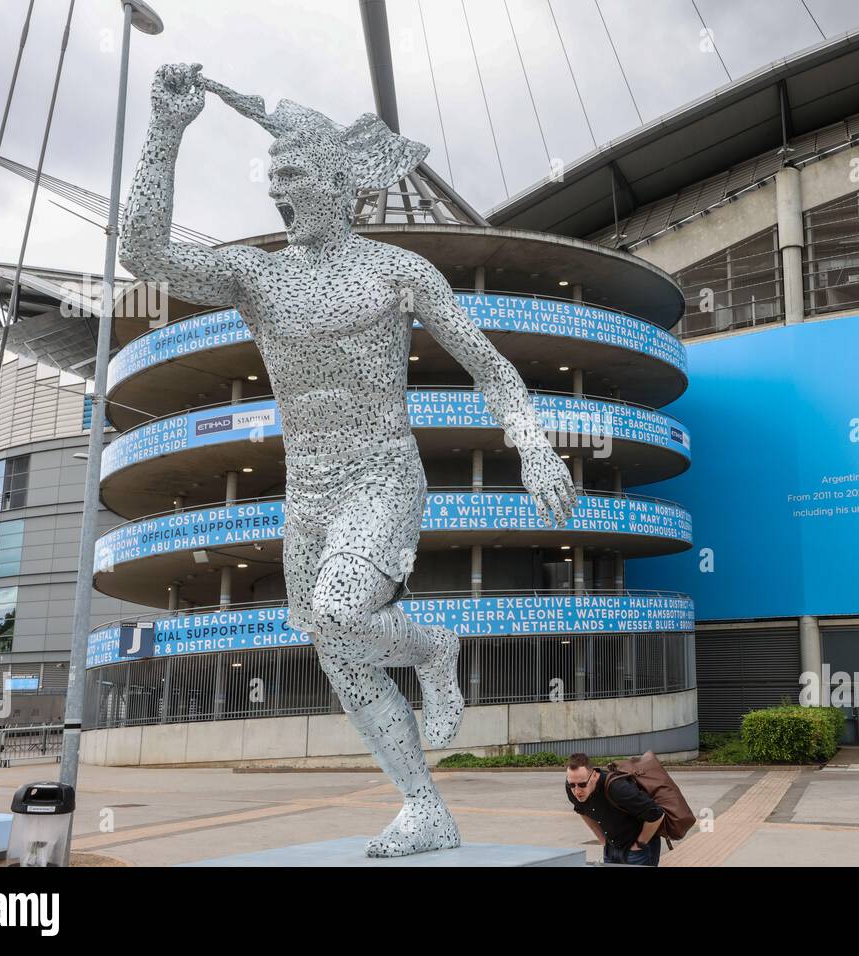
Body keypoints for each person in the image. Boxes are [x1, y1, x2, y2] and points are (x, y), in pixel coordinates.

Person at [120, 63, 576, 858]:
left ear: (339, 180)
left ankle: (436, 648)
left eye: (292, 175)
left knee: (339, 612)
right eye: (274, 177)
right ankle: (422, 806)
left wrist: (534, 446)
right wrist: (166, 128)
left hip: (383, 474)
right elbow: (145, 256)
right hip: (310, 492)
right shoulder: (254, 274)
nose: (276, 190)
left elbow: (490, 365)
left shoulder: (399, 271)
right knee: (335, 648)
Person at [565, 753, 664, 866]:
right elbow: (581, 810)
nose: (577, 791)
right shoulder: (571, 787)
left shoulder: (618, 788)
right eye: (572, 785)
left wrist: (640, 843)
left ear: (593, 776)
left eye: (582, 784)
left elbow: (656, 814)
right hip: (611, 848)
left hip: (637, 849)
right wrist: (603, 840)